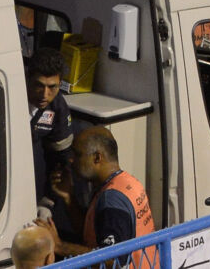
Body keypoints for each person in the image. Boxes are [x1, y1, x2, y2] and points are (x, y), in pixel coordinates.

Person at [62, 127, 155, 265]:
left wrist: (59, 246)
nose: (71, 160)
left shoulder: (111, 200)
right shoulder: (127, 182)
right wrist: (68, 197)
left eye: (77, 154)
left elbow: (113, 260)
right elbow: (94, 232)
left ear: (97, 157)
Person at [29, 47, 76, 227]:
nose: (44, 94)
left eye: (52, 87)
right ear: (27, 79)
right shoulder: (10, 99)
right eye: (38, 85)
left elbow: (60, 160)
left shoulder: (57, 107)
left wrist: (48, 201)